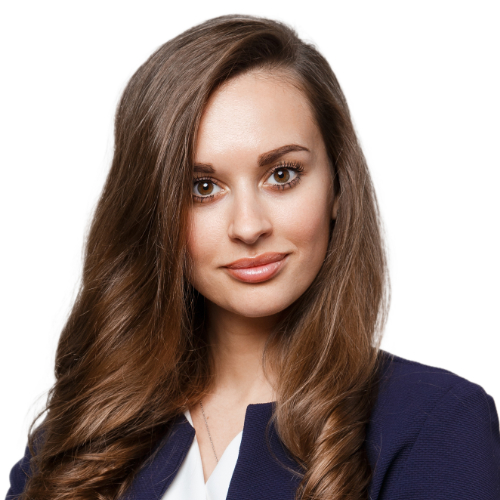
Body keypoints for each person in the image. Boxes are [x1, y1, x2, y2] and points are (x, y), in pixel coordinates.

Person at [6, 14, 500, 500]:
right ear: (153, 210)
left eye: (282, 175)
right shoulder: (84, 431)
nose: (248, 226)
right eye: (202, 187)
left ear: (337, 185)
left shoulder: (436, 424)